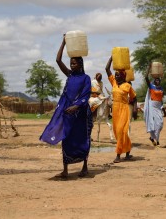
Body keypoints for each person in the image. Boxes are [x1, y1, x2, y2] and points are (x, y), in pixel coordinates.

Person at [40, 34, 93, 178]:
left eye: (74, 63)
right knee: (66, 138)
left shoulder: (86, 78)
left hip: (81, 113)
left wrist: (76, 106)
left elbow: (86, 95)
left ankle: (85, 167)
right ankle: (65, 170)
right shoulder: (70, 75)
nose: (72, 65)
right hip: (67, 112)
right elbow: (58, 60)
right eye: (71, 63)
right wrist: (63, 42)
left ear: (80, 64)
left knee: (83, 138)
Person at [105, 56, 137, 163]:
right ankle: (127, 152)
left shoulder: (127, 85)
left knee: (121, 131)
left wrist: (135, 108)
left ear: (123, 76)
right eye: (115, 75)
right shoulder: (114, 83)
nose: (116, 77)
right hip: (115, 109)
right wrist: (112, 58)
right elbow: (107, 69)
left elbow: (134, 97)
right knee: (118, 131)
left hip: (124, 108)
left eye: (118, 76)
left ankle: (118, 155)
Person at [143, 64, 164, 147]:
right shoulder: (151, 87)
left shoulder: (161, 89)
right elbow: (146, 78)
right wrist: (148, 68)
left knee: (160, 123)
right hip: (152, 106)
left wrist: (164, 109)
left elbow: (161, 99)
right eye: (156, 80)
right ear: (154, 81)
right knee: (152, 123)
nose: (157, 81)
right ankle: (156, 140)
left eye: (158, 80)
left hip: (159, 107)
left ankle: (153, 138)